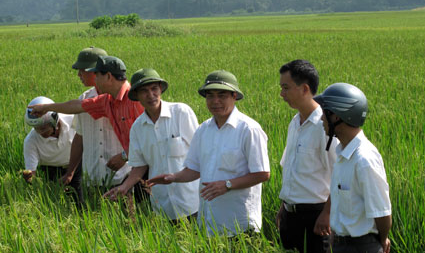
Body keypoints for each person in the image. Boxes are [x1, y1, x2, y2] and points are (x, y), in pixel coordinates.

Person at [148, 70, 270, 236]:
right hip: (209, 222)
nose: (215, 101)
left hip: (239, 224)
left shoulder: (249, 129)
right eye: (210, 96)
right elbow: (195, 169)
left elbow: (262, 173)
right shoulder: (203, 129)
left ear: (234, 96)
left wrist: (227, 185)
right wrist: (173, 177)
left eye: (222, 95)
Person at [28, 56, 147, 200]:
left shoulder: (136, 99)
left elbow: (148, 137)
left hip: (148, 169)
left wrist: (124, 156)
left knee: (152, 213)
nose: (94, 79)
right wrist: (46, 108)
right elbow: (77, 106)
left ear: (108, 76)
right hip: (128, 171)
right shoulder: (107, 101)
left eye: (97, 75)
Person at [104, 68, 199, 222]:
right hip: (162, 205)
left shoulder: (181, 113)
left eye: (154, 89)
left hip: (192, 200)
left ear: (160, 89)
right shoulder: (137, 128)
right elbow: (140, 165)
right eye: (144, 91)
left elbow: (200, 153)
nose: (150, 95)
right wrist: (124, 186)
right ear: (136, 96)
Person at [315, 83, 393, 253]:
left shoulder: (364, 159)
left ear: (336, 116)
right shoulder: (342, 153)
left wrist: (380, 245)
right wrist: (332, 246)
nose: (321, 119)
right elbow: (341, 210)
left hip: (362, 250)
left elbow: (382, 212)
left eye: (324, 113)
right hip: (340, 247)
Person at [276, 59, 338, 253]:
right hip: (290, 216)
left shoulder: (325, 126)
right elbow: (291, 170)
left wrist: (327, 214)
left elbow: (340, 175)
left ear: (304, 89)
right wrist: (283, 208)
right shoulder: (294, 123)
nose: (281, 94)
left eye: (286, 88)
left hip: (316, 219)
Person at [61, 47, 131, 190]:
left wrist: (124, 157)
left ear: (97, 71)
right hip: (92, 178)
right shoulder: (84, 99)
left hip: (122, 176)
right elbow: (79, 137)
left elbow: (140, 137)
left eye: (83, 70)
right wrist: (71, 171)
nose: (79, 75)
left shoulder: (127, 99)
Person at [23, 96, 83, 203]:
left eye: (44, 128)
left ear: (54, 121)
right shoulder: (30, 141)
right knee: (53, 200)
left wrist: (70, 173)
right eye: (36, 129)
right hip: (50, 170)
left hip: (75, 164)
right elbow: (31, 172)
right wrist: (30, 178)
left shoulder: (72, 120)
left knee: (78, 199)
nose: (40, 132)